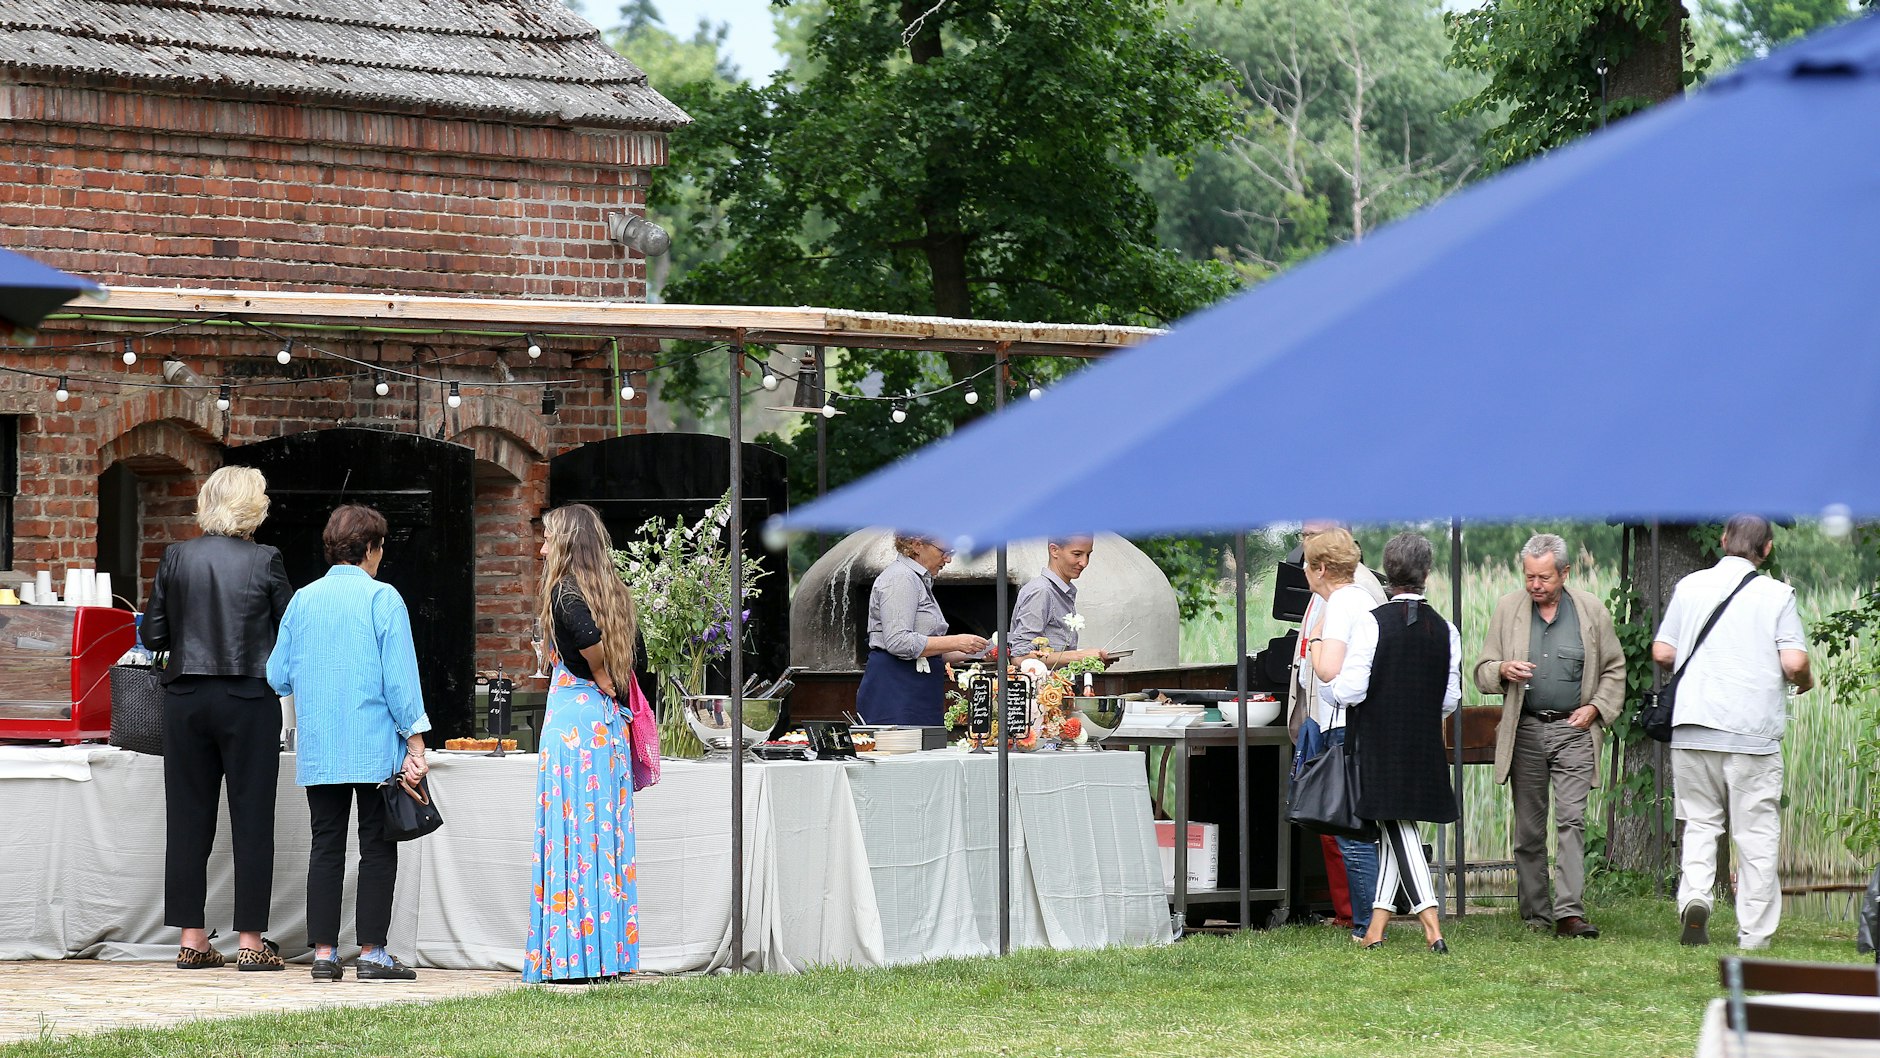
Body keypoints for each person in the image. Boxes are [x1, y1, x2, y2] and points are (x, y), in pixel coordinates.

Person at [267, 504, 430, 982]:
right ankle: (373, 953)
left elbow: (277, 674)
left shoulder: (302, 600)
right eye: (381, 547)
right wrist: (416, 743)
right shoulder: (383, 598)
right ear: (370, 549)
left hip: (321, 744)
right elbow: (400, 681)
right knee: (377, 846)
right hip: (375, 743)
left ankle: (322, 953)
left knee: (326, 844)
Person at [141, 465, 293, 972]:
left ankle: (191, 937)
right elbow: (288, 634)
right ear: (253, 506)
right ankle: (251, 940)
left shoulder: (177, 556)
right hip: (248, 697)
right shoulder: (266, 559)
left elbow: (156, 635)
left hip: (185, 697)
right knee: (252, 818)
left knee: (187, 817)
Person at [1653, 514, 1812, 950]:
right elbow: (1794, 663)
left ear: (1723, 541)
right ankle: (1754, 933)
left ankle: (1696, 898)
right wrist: (1805, 681)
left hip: (1692, 727)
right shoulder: (1777, 594)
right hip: (1751, 733)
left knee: (1700, 822)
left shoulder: (1689, 587)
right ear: (1767, 549)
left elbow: (1663, 651)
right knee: (1754, 833)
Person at [1474, 533, 1625, 940]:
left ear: (1565, 572)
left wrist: (1595, 709)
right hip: (1524, 729)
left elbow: (1615, 669)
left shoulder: (1591, 611)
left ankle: (1570, 914)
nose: (1535, 585)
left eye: (1544, 577)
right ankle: (1536, 914)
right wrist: (1503, 669)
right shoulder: (1508, 608)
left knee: (1572, 821)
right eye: (1529, 577)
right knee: (1528, 828)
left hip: (1574, 730)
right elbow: (1482, 670)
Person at [1319, 532, 1461, 953]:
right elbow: (1450, 699)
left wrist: (1327, 687)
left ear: (1388, 571)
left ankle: (1431, 922)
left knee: (1397, 826)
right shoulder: (1447, 629)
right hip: (1424, 743)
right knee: (1396, 829)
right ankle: (1376, 929)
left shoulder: (1372, 622)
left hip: (1379, 742)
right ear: (1427, 573)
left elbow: (1350, 691)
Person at [525, 503, 644, 984]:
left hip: (574, 723)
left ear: (569, 543)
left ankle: (571, 956)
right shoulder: (612, 591)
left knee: (571, 833)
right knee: (602, 838)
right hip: (605, 724)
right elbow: (628, 652)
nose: (542, 548)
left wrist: (595, 670)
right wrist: (606, 675)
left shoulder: (564, 590)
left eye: (549, 539)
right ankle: (605, 954)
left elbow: (585, 635)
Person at [1295, 526, 1382, 940]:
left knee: (1349, 830)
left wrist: (1313, 643)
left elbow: (1328, 668)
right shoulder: (1361, 598)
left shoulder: (1342, 605)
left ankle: (1364, 922)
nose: (1305, 574)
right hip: (1360, 725)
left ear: (1322, 568)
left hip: (1343, 725)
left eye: (1308, 566)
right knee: (1354, 828)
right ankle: (1367, 918)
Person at [854, 533, 989, 726]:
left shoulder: (917, 579)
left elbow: (927, 652)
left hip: (916, 688)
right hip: (895, 689)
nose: (949, 559)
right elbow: (898, 642)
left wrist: (977, 651)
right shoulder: (900, 578)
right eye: (944, 551)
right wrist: (957, 640)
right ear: (917, 545)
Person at [1009, 536, 1112, 666]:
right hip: (1042, 686)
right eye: (1077, 554)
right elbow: (1020, 658)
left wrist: (1090, 658)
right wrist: (1079, 656)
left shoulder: (1061, 591)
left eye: (1088, 555)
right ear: (1054, 550)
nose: (1084, 563)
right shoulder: (1041, 591)